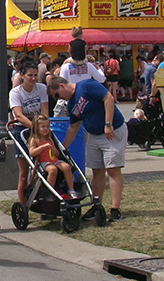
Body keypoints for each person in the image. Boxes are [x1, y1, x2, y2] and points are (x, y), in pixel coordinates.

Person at [47, 75, 127, 222]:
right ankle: (97, 205)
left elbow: (108, 98)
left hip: (112, 130)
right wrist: (62, 148)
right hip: (94, 135)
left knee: (113, 169)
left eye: (57, 95)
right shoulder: (71, 105)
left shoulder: (86, 85)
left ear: (61, 86)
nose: (60, 99)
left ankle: (115, 209)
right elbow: (73, 126)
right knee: (97, 171)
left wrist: (108, 123)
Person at [9, 61, 48, 206]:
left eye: (35, 75)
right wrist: (35, 126)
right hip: (23, 130)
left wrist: (43, 127)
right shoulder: (16, 92)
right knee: (24, 173)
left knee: (43, 168)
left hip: (40, 128)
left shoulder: (41, 88)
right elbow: (18, 115)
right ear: (22, 76)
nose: (33, 79)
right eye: (30, 75)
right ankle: (23, 204)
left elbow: (44, 110)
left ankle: (42, 199)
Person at [27, 114, 77, 200]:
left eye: (47, 126)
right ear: (37, 128)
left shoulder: (49, 139)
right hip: (44, 162)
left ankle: (71, 189)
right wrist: (42, 147)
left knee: (67, 167)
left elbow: (57, 154)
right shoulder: (34, 140)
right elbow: (31, 153)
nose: (46, 129)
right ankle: (50, 191)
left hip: (54, 160)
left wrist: (55, 151)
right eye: (43, 127)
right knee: (52, 170)